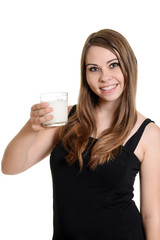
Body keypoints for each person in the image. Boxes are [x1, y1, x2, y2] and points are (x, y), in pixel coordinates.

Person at [2, 29, 160, 240]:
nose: (105, 77)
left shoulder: (149, 134)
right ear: (85, 75)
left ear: (129, 66)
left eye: (113, 64)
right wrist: (31, 127)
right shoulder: (67, 117)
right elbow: (10, 167)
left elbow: (152, 216)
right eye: (94, 68)